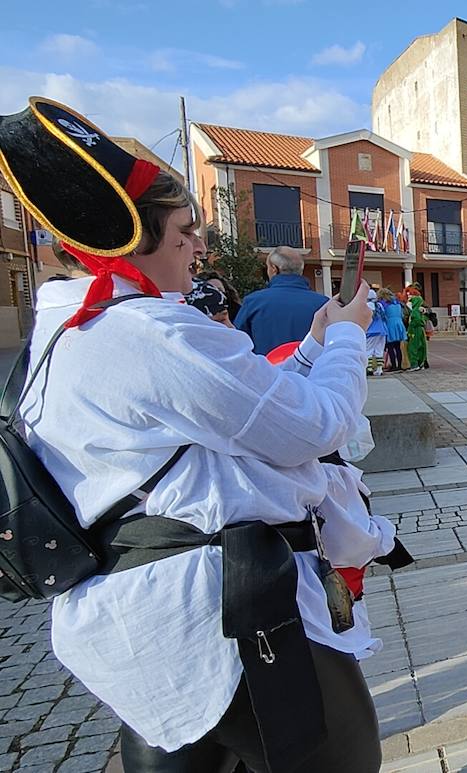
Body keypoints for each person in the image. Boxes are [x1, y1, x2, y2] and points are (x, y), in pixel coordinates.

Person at [0, 97, 381, 771]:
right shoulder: (148, 331)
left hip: (135, 613)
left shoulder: (60, 335)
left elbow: (222, 417)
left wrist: (316, 344)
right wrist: (350, 335)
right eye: (182, 232)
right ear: (131, 242)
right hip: (222, 614)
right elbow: (313, 425)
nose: (196, 246)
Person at [234, 246, 329, 355]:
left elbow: (237, 344)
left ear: (274, 269)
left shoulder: (253, 302)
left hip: (266, 369)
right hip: (314, 370)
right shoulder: (324, 305)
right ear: (300, 270)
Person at [380, 288, 407, 371]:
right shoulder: (398, 303)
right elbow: (403, 315)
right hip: (399, 323)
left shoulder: (384, 304)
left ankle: (394, 366)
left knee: (390, 347)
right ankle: (399, 365)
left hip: (390, 324)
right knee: (398, 346)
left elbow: (383, 315)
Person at [365, 288, 388, 376]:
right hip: (382, 330)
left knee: (368, 350)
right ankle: (379, 369)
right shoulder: (379, 305)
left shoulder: (367, 305)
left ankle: (369, 368)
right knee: (379, 350)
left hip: (372, 330)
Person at [406, 294, 430, 369]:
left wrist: (410, 327)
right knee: (421, 346)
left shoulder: (415, 311)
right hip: (421, 330)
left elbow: (416, 321)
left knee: (413, 346)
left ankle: (414, 364)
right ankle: (421, 362)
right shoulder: (420, 311)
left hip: (415, 330)